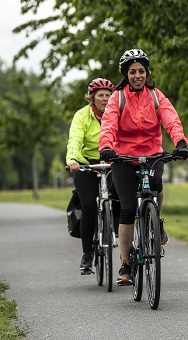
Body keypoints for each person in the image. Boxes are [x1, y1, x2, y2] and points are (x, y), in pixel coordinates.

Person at [99, 48, 188, 286]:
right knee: (127, 208)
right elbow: (108, 124)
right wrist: (107, 146)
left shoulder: (156, 96)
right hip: (122, 157)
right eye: (132, 72)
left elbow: (171, 119)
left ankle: (156, 220)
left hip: (152, 154)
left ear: (146, 73)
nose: (137, 75)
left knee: (156, 184)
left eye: (141, 71)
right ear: (126, 75)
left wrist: (180, 141)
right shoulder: (117, 98)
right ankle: (126, 265)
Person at [66, 77, 120, 275]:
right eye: (101, 95)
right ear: (92, 98)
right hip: (86, 165)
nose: (105, 99)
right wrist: (73, 159)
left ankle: (116, 232)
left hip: (113, 164)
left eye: (108, 95)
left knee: (120, 198)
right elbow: (75, 139)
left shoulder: (118, 113)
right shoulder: (82, 116)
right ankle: (87, 254)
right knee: (88, 205)